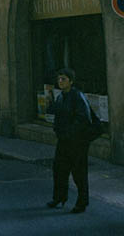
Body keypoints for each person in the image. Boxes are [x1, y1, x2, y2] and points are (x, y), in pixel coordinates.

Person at [45, 67, 92, 213]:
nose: (60, 81)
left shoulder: (77, 96)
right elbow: (59, 114)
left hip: (77, 141)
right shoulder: (61, 97)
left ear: (71, 81)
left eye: (63, 79)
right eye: (59, 79)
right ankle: (59, 197)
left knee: (79, 173)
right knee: (59, 169)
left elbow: (83, 118)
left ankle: (82, 202)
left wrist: (70, 132)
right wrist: (50, 104)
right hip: (64, 140)